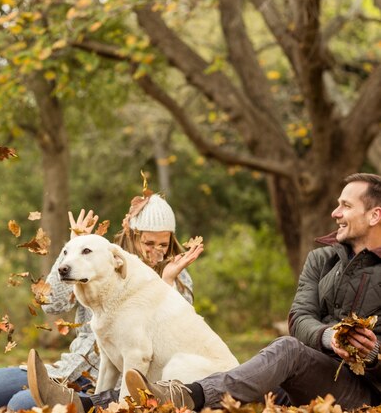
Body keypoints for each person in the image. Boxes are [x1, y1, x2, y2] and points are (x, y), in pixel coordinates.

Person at [124, 173, 381, 410]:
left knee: (286, 351)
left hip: (362, 393)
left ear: (374, 215)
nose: (335, 213)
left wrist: (372, 355)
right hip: (308, 374)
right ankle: (92, 400)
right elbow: (300, 318)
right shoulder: (321, 259)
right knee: (241, 378)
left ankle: (187, 396)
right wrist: (329, 337)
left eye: (346, 206)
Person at [0, 193, 202, 411]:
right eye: (149, 243)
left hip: (115, 384)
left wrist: (167, 281)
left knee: (20, 405)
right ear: (132, 234)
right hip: (69, 370)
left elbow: (175, 338)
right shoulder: (99, 257)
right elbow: (51, 304)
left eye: (163, 244)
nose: (156, 252)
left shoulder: (177, 275)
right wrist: (71, 250)